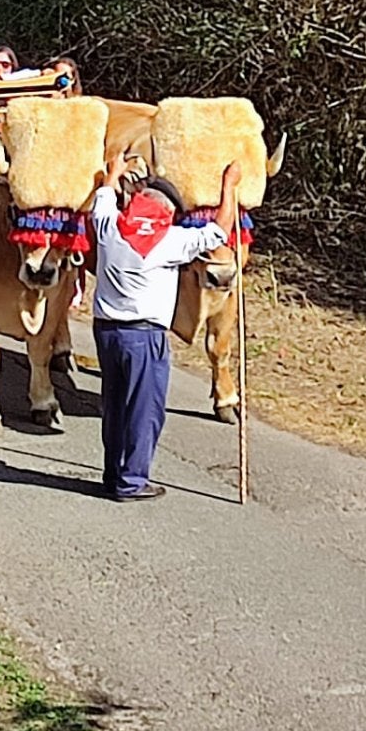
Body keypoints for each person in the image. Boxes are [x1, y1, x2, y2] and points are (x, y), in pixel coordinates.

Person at [88, 154, 241, 502]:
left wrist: (114, 172)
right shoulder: (170, 240)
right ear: (167, 213)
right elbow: (220, 231)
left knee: (115, 406)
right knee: (145, 410)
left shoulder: (110, 227)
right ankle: (131, 482)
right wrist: (229, 185)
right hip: (144, 336)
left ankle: (114, 475)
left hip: (107, 332)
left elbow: (104, 198)